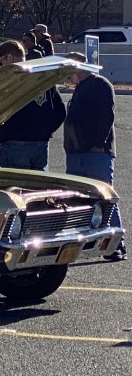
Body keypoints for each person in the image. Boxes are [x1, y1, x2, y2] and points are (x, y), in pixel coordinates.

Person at [63, 51, 123, 259]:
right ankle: (86, 243)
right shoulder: (80, 87)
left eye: (68, 67)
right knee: (80, 201)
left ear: (78, 65)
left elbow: (106, 116)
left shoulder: (100, 84)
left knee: (104, 197)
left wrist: (98, 144)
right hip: (76, 153)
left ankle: (116, 245)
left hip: (95, 153)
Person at [0, 41, 65, 171]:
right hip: (40, 144)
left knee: (15, 188)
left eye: (1, 62)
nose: (1, 66)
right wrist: (45, 131)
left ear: (9, 58)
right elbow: (60, 111)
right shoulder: (44, 78)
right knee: (37, 188)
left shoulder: (10, 81)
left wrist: (0, 136)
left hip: (15, 143)